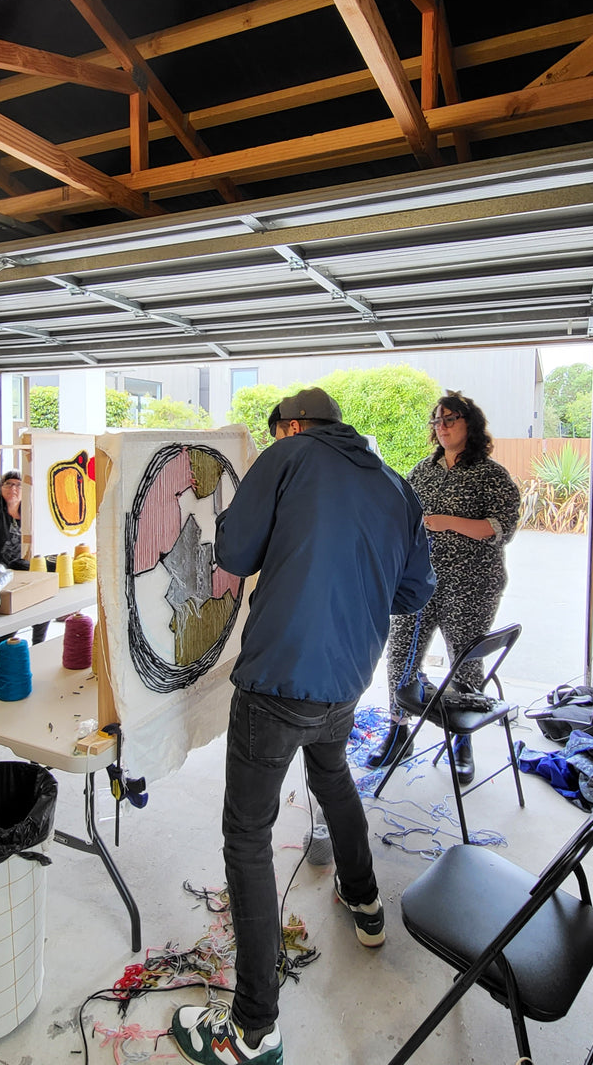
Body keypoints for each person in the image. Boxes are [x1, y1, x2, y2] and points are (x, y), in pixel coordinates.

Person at [169, 388, 435, 1065]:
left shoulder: (286, 458)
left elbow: (232, 552)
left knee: (247, 837)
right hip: (347, 681)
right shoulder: (395, 486)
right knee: (332, 771)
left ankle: (254, 1027)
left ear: (291, 427)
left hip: (277, 681)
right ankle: (366, 902)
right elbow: (412, 591)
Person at [368, 391, 521, 781]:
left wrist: (446, 521)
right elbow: (406, 521)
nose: (442, 427)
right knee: (400, 654)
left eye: (450, 419)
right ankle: (399, 732)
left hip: (472, 586)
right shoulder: (422, 471)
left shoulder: (491, 475)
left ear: (470, 424)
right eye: (436, 421)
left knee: (465, 661)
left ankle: (461, 741)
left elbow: (499, 529)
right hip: (419, 584)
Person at [0, 450, 48, 645]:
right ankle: (5, 647)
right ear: (1, 487)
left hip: (20, 571)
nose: (13, 488)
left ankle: (38, 644)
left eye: (18, 484)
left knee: (42, 602)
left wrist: (34, 462)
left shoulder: (29, 511)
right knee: (7, 624)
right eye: (8, 484)